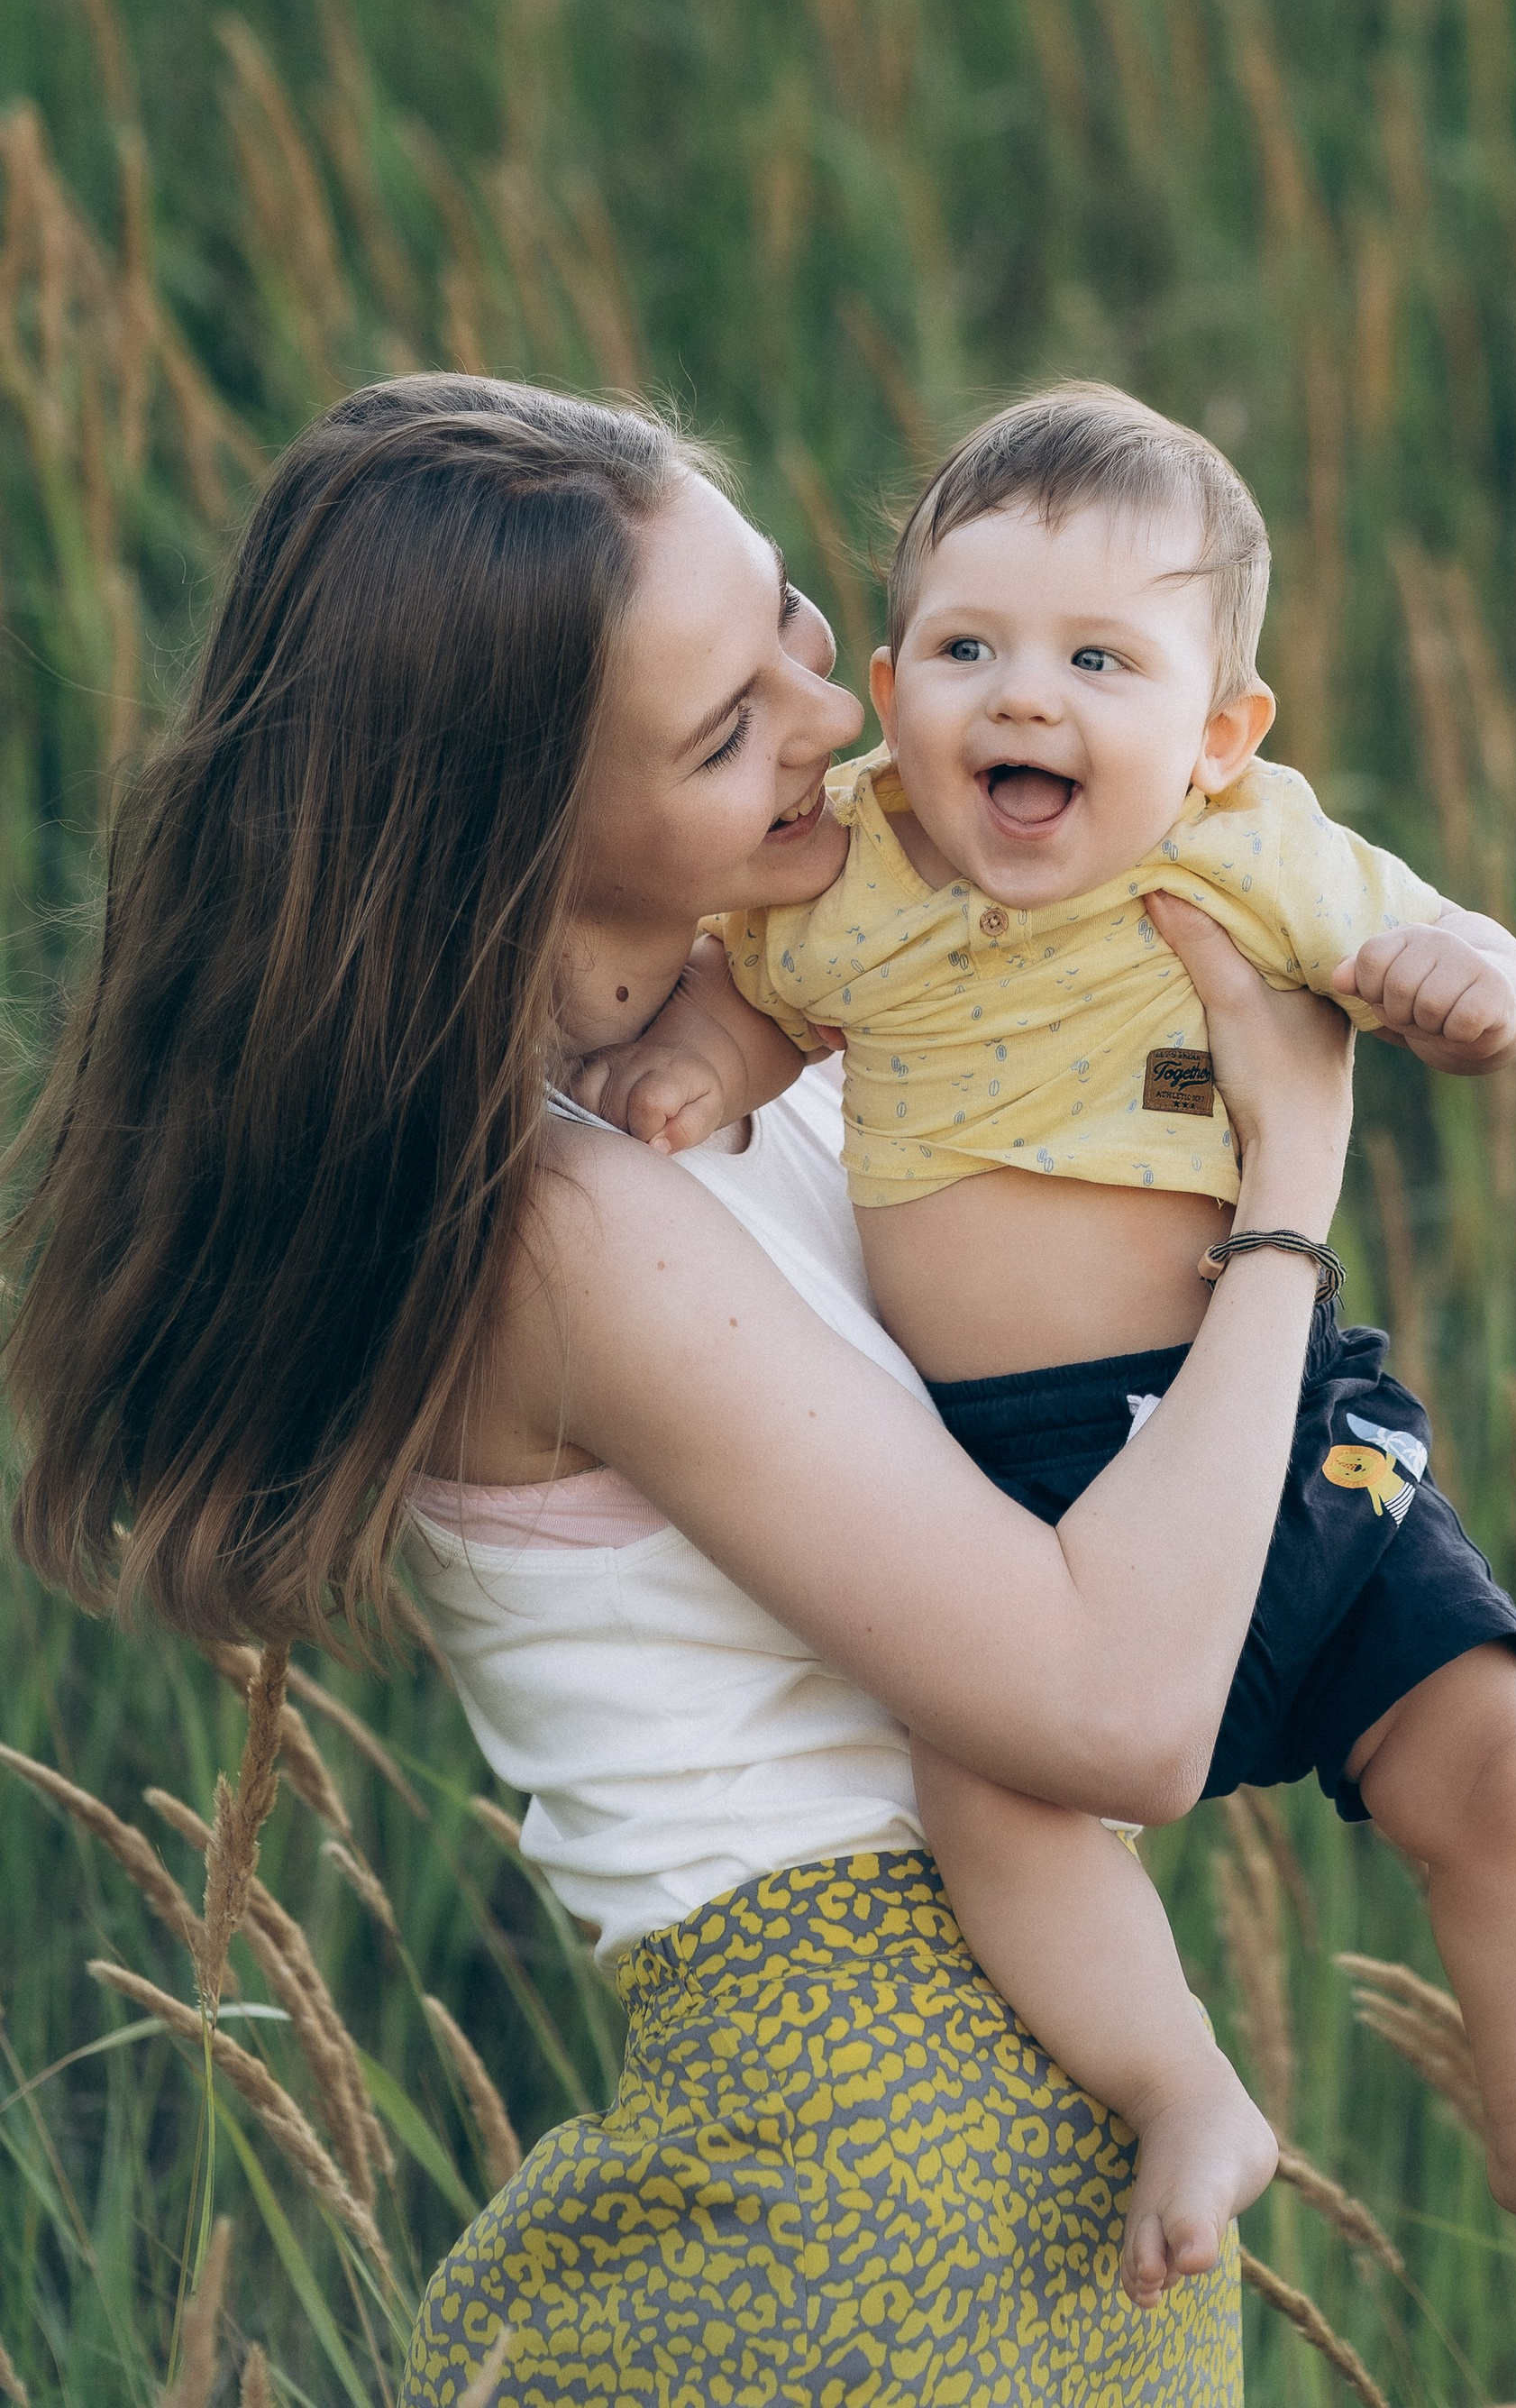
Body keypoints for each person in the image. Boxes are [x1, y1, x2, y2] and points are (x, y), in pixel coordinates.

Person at [2, 373, 1365, 2403]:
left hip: (1025, 2177)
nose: (834, 716)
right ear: (520, 838)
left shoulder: (786, 1037)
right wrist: (1290, 1192)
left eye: (798, 624)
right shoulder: (560, 1231)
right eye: (727, 733)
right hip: (879, 2208)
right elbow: (1119, 1714)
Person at [580, 382, 1516, 2260]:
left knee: (1491, 1743)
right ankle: (1181, 2086)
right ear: (892, 683)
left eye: (1100, 660)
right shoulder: (853, 866)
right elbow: (759, 999)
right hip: (1015, 1477)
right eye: (968, 651)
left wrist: (1471, 984)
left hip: (1258, 1411)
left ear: (1218, 731)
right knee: (987, 1794)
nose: (1025, 700)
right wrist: (699, 1063)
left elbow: (1436, 938)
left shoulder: (1243, 847)